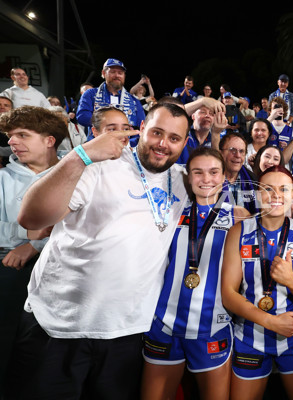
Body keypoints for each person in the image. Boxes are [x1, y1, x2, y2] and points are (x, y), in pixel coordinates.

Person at [7, 103, 191, 399]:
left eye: (174, 138)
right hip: (59, 326)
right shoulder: (99, 164)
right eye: (156, 132)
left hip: (128, 333)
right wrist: (80, 156)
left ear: (184, 143)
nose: (162, 144)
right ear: (140, 129)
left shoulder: (183, 181)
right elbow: (31, 218)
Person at [141, 147, 249, 400]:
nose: (206, 179)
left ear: (224, 177)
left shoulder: (239, 217)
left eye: (213, 172)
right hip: (163, 323)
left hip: (212, 327)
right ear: (188, 177)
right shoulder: (170, 213)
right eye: (198, 172)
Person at [221, 165, 293, 400]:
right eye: (268, 189)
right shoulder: (238, 232)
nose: (276, 195)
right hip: (250, 336)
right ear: (257, 194)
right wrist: (271, 322)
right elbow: (228, 293)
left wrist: (291, 281)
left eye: (284, 189)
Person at [0, 106, 66, 392]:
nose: (12, 142)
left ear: (49, 140)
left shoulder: (75, 174)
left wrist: (34, 244)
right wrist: (25, 234)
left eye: (22, 135)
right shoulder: (3, 179)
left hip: (62, 272)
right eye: (10, 136)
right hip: (11, 269)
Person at [76, 58, 145, 131]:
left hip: (127, 141)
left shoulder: (134, 101)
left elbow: (142, 125)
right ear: (103, 73)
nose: (117, 75)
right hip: (98, 140)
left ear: (124, 76)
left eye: (120, 73)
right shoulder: (91, 94)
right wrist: (108, 124)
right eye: (113, 72)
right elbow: (82, 116)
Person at [177, 98, 227, 164]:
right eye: (203, 112)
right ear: (193, 116)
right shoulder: (182, 133)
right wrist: (202, 101)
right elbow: (173, 114)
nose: (207, 116)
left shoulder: (217, 139)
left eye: (211, 114)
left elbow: (217, 165)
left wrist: (216, 133)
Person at [219, 132, 257, 214]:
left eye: (242, 151)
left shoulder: (253, 181)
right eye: (232, 150)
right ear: (220, 153)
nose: (238, 155)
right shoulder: (210, 180)